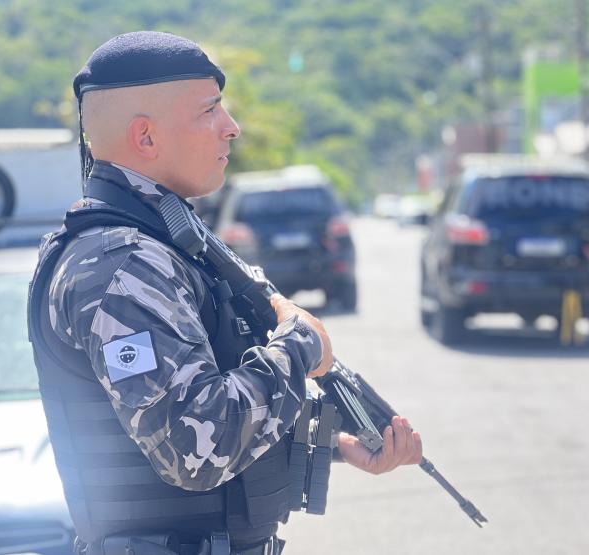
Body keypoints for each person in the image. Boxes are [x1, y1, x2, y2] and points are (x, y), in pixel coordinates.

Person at [27, 31, 421, 555]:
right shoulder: (121, 265)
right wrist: (300, 343)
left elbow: (204, 405)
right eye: (210, 110)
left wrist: (333, 446)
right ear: (145, 137)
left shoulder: (163, 242)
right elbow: (194, 445)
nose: (230, 128)